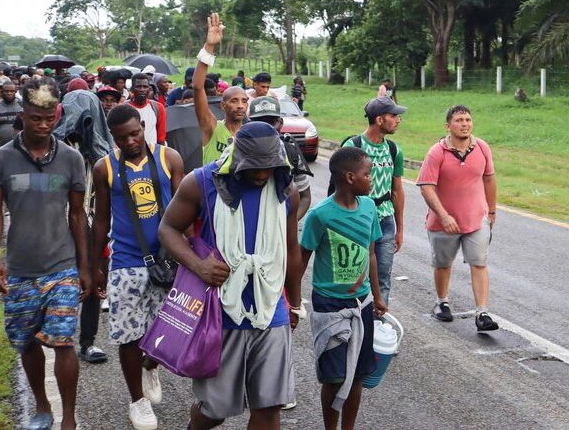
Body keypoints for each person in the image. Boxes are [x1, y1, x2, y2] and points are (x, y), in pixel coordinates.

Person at [158, 121, 301, 430]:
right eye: (254, 168)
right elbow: (167, 229)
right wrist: (199, 266)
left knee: (268, 406)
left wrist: (296, 303)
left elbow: (291, 249)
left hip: (270, 311)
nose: (263, 174)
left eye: (269, 166)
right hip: (220, 313)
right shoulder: (201, 182)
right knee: (215, 410)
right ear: (237, 157)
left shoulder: (286, 188)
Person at [0, 82, 90, 430]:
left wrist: (85, 266)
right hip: (20, 268)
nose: (44, 125)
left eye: (50, 118)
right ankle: (41, 406)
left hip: (61, 266)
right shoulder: (1, 158)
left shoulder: (71, 158)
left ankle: (68, 417)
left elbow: (78, 215)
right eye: (36, 118)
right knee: (26, 342)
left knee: (64, 342)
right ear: (23, 116)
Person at [91, 104, 184, 430]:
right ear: (113, 137)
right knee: (129, 336)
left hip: (168, 260)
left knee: (168, 332)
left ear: (143, 126)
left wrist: (189, 257)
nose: (130, 141)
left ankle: (150, 364)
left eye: (134, 133)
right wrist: (94, 266)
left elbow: (185, 211)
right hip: (126, 262)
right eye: (121, 138)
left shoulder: (168, 158)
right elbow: (101, 219)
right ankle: (138, 402)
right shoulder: (104, 168)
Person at [300, 147, 386, 430]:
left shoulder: (370, 207)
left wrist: (377, 294)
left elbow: (371, 253)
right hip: (329, 306)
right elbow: (302, 260)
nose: (371, 179)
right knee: (334, 377)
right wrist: (289, 301)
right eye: (367, 174)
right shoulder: (320, 215)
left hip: (360, 305)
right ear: (350, 177)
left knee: (358, 374)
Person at [416, 105, 499, 332]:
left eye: (468, 120)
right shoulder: (437, 152)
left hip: (476, 219)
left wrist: (491, 211)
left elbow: (489, 179)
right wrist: (443, 216)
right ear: (448, 126)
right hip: (444, 222)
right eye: (460, 120)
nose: (465, 124)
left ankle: (482, 312)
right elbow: (426, 187)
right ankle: (441, 302)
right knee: (443, 264)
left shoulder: (482, 147)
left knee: (479, 262)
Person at [341, 97, 405, 305]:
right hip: (357, 220)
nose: (398, 120)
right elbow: (340, 188)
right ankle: (354, 319)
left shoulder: (394, 150)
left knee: (383, 277)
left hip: (385, 221)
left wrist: (400, 228)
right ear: (379, 119)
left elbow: (397, 190)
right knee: (355, 275)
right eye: (393, 115)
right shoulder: (353, 146)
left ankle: (378, 324)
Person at [193, 12, 249, 165]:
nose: (240, 106)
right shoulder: (211, 127)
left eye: (244, 101)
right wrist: (209, 47)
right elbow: (198, 87)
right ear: (222, 105)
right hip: (212, 189)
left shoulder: (250, 135)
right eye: (234, 101)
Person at [248, 96, 312, 219]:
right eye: (260, 122)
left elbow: (305, 197)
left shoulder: (291, 152)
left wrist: (287, 224)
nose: (266, 128)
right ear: (248, 123)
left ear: (281, 123)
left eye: (271, 122)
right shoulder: (237, 152)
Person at [127, 73, 166, 146]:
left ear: (149, 88)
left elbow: (161, 138)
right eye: (138, 87)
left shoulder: (157, 107)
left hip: (152, 153)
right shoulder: (124, 108)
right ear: (132, 89)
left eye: (145, 87)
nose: (142, 90)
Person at [0, 80, 22, 147]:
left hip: (19, 146)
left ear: (15, 92)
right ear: (1, 92)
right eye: (6, 91)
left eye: (12, 91)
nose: (9, 93)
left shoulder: (22, 105)